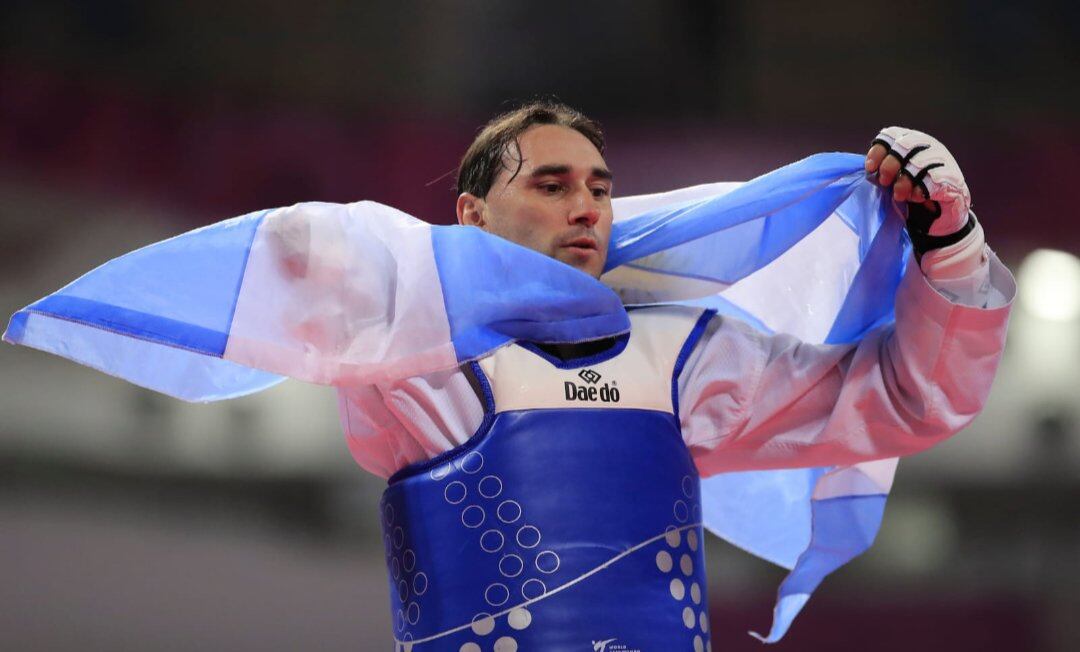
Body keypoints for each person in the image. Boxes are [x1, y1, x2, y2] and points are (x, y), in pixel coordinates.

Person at [4, 101, 1015, 651]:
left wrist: (953, 254)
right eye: (551, 182)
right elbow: (314, 257)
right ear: (471, 214)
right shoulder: (414, 354)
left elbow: (907, 399)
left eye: (603, 189)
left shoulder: (687, 358)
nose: (587, 207)